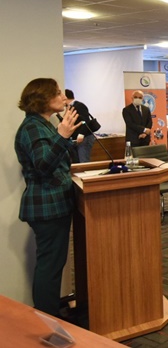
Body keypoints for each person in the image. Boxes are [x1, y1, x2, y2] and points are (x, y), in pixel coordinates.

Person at [15, 79, 80, 318]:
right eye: (58, 93)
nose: (63, 97)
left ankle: (49, 318)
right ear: (43, 98)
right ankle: (48, 322)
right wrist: (62, 136)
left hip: (53, 205)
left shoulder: (44, 124)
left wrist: (64, 137)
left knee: (52, 265)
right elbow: (43, 165)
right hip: (47, 207)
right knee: (50, 267)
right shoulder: (32, 127)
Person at [63, 89, 96, 163]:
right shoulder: (70, 107)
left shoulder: (79, 105)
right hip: (75, 139)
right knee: (76, 162)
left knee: (83, 160)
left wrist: (81, 134)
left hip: (84, 138)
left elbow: (85, 121)